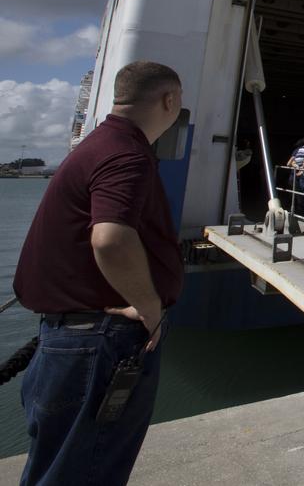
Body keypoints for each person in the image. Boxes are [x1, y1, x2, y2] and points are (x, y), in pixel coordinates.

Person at [13, 60, 185, 485]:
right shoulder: (127, 155)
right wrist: (148, 307)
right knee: (87, 471)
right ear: (170, 100)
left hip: (71, 339)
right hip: (98, 344)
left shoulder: (96, 146)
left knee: (58, 468)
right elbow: (110, 237)